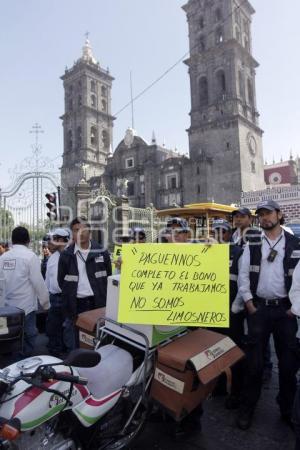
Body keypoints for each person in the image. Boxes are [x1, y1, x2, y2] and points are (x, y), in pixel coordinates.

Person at [236, 199, 300, 430]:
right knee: (253, 365)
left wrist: (295, 308)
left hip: (286, 312)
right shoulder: (252, 242)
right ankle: (247, 409)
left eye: (268, 213)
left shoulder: (295, 242)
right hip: (259, 309)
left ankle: (286, 410)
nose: (264, 218)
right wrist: (249, 302)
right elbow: (244, 274)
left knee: (288, 365)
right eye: (261, 215)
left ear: (279, 215)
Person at [58, 217, 112, 349]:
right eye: (76, 230)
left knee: (99, 340)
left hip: (97, 304)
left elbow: (108, 277)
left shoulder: (101, 252)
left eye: (83, 229)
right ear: (72, 233)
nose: (80, 233)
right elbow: (61, 282)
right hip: (76, 305)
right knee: (78, 341)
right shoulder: (66, 255)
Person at [0, 226, 49, 357]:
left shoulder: (3, 257)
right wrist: (46, 304)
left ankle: (10, 364)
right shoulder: (30, 257)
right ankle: (22, 364)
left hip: (6, 309)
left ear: (12, 240)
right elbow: (38, 283)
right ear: (28, 240)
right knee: (29, 336)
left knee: (9, 337)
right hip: (25, 309)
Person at [210, 219, 244, 407]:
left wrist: (238, 306)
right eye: (216, 232)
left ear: (229, 233)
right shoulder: (206, 252)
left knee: (235, 353)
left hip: (233, 313)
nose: (219, 235)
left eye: (223, 231)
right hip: (213, 312)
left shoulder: (239, 253)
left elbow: (244, 282)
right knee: (216, 351)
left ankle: (236, 392)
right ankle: (219, 386)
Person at [45, 228, 70, 356]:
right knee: (53, 327)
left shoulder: (72, 256)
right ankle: (55, 352)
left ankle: (67, 354)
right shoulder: (52, 258)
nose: (51, 242)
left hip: (68, 298)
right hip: (54, 298)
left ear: (60, 240)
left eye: (54, 239)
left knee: (68, 329)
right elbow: (48, 279)